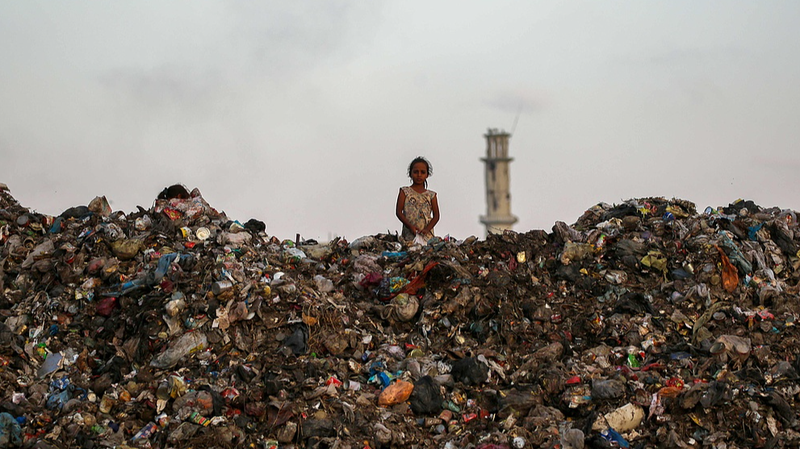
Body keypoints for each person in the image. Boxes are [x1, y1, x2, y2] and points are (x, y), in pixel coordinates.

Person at [396, 156, 440, 244]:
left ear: (427, 175)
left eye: (422, 172)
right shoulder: (405, 192)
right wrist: (410, 226)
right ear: (410, 173)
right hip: (409, 235)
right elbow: (398, 212)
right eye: (416, 172)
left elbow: (436, 216)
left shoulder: (431, 195)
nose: (419, 175)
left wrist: (427, 229)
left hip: (427, 236)